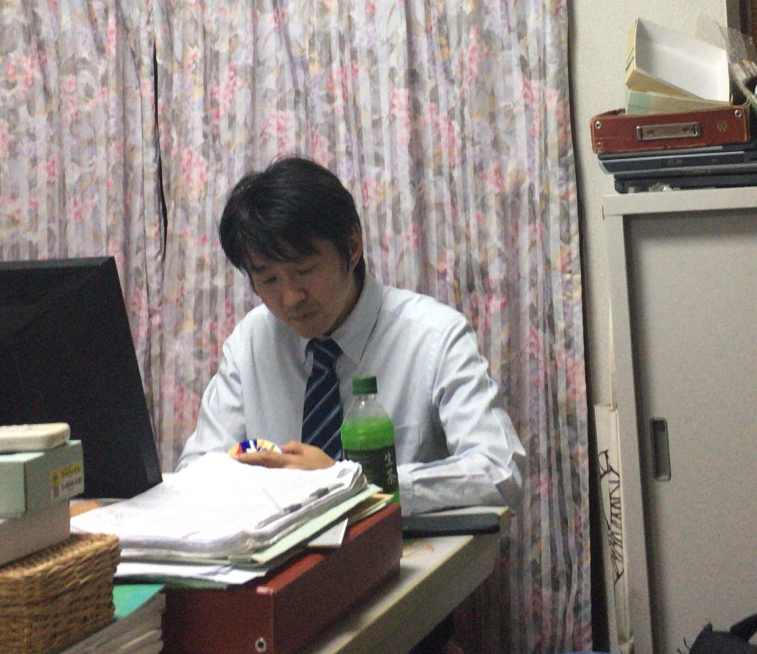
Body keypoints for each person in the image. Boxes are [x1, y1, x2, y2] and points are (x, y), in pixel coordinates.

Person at [179, 155, 526, 516]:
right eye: (268, 279)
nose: (291, 297)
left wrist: (351, 484)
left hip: (400, 549)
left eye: (305, 269)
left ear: (353, 245)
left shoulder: (435, 338)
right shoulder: (251, 343)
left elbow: (501, 473)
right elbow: (196, 473)